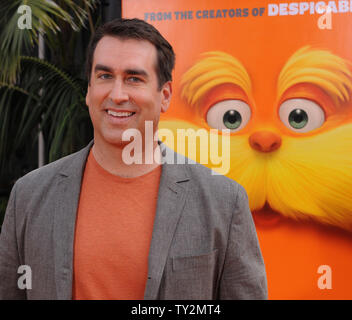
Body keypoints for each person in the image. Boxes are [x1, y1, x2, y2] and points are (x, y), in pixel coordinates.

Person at [0, 18, 267, 300]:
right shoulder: (29, 196)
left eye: (134, 79)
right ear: (89, 90)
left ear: (164, 96)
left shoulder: (224, 202)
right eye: (104, 76)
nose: (117, 95)